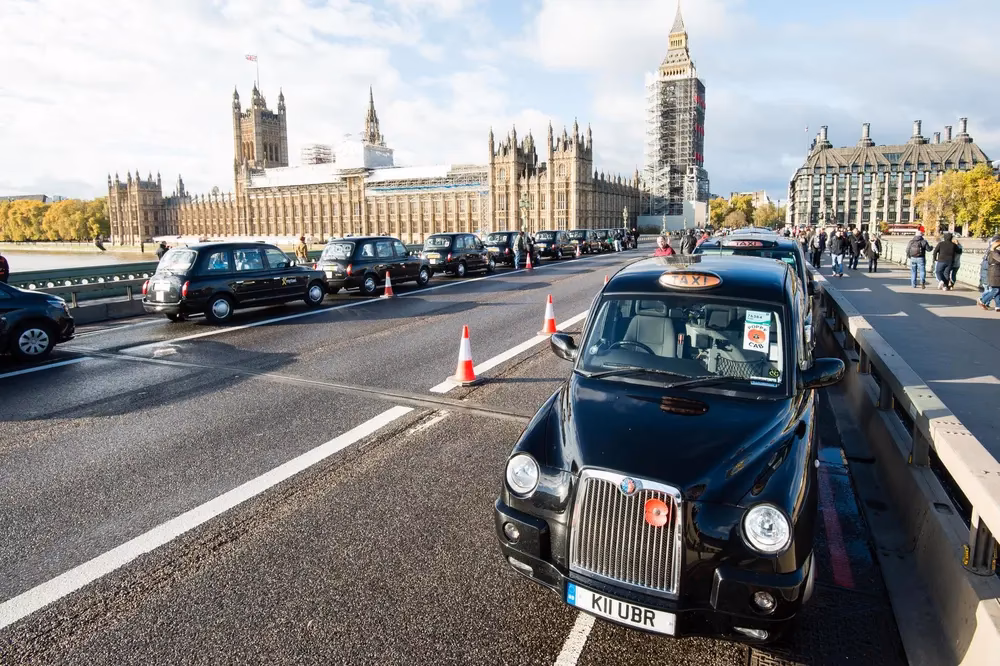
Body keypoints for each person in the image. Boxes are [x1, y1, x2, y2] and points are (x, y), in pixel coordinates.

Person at [978, 235, 1000, 312]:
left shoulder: (993, 251)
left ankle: (998, 305)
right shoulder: (993, 252)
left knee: (998, 289)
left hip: (996, 273)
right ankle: (982, 300)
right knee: (995, 290)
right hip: (994, 273)